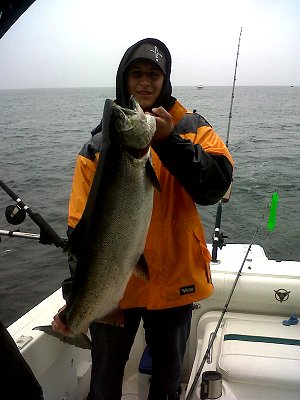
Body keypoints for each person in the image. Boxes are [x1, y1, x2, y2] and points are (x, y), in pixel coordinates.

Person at [52, 38, 234, 400]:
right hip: (113, 287)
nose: (145, 82)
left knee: (167, 383)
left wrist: (168, 142)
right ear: (124, 81)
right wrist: (76, 297)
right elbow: (80, 232)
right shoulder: (98, 146)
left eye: (154, 74)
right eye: (136, 74)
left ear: (166, 81)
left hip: (176, 280)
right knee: (103, 384)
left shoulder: (193, 127)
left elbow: (216, 187)